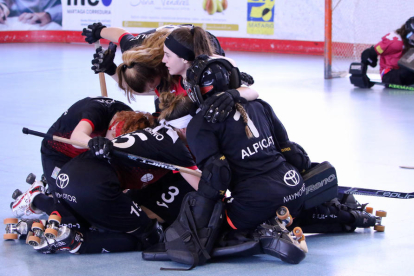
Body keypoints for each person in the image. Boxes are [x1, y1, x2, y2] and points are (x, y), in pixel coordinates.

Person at [150, 56, 381, 265]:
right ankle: (344, 215)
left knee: (225, 222)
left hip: (255, 203)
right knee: (284, 206)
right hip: (294, 189)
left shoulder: (200, 124)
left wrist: (198, 222)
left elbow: (217, 176)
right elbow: (293, 153)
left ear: (196, 90)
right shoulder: (261, 105)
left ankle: (264, 231)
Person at [26, 110, 202, 254]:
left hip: (70, 173)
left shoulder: (155, 130)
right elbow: (203, 187)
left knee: (90, 220)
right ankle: (76, 242)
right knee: (149, 236)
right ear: (185, 129)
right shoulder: (175, 146)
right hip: (96, 185)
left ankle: (37, 200)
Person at [81, 23, 258, 120]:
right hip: (164, 45)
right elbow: (121, 34)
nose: (154, 92)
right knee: (165, 115)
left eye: (154, 88)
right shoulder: (134, 51)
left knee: (201, 98)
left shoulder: (194, 62)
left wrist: (231, 76)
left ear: (159, 72)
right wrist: (100, 32)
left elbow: (220, 65)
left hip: (196, 44)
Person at [11, 96, 133, 219]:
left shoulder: (132, 119)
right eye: (113, 140)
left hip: (88, 155)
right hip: (59, 154)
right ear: (112, 127)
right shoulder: (96, 111)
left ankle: (53, 185)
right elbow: (76, 137)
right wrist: (95, 143)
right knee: (68, 213)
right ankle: (35, 197)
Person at [359, 16, 414, 86]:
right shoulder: (395, 42)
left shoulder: (410, 41)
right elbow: (369, 53)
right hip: (389, 75)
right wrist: (361, 75)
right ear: (408, 32)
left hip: (403, 72)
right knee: (408, 71)